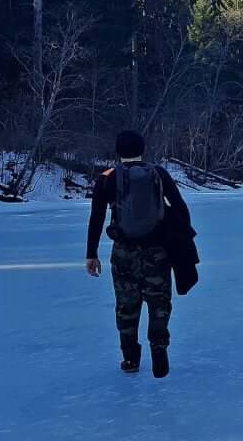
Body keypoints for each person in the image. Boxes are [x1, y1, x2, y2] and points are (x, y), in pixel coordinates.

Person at [85, 130, 193, 379]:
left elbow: (97, 216)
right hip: (158, 252)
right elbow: (180, 208)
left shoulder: (106, 178)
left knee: (126, 306)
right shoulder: (158, 174)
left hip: (124, 253)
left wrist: (91, 253)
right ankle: (159, 345)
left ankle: (130, 358)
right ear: (143, 149)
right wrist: (181, 240)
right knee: (159, 302)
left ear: (117, 151)